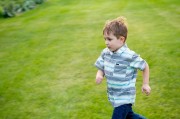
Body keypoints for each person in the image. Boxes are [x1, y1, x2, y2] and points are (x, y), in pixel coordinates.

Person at [94, 16, 151, 119]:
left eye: (109, 39)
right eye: (105, 39)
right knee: (130, 116)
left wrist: (145, 84)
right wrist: (99, 74)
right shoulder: (106, 53)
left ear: (121, 39)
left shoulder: (129, 56)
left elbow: (144, 65)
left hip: (125, 98)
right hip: (114, 95)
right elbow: (101, 66)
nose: (106, 42)